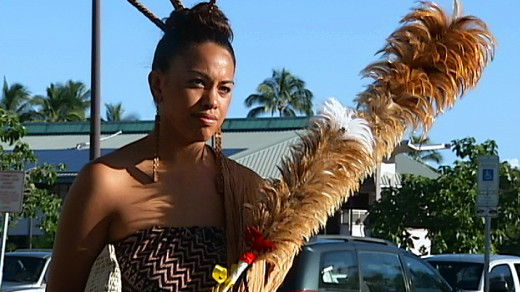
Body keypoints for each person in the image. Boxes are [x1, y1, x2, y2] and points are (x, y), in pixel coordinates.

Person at [47, 2, 263, 291]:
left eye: (224, 88)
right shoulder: (106, 182)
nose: (213, 100)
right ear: (157, 86)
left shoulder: (248, 189)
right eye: (197, 83)